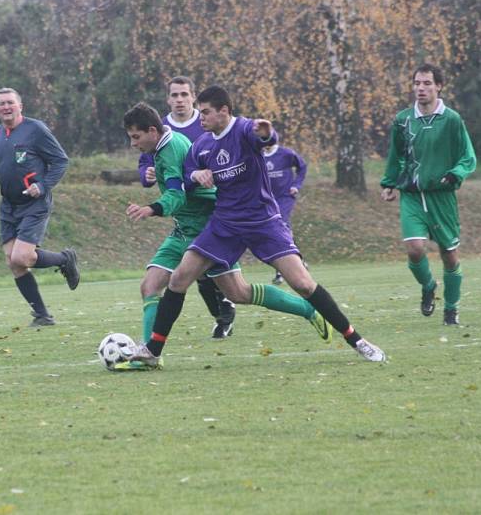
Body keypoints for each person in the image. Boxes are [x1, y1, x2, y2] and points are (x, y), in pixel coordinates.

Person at [129, 85, 387, 368]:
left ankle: (358, 340)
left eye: (205, 113)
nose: (199, 118)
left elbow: (264, 137)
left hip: (263, 221)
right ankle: (153, 350)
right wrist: (197, 174)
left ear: (224, 111)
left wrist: (266, 134)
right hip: (224, 223)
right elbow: (186, 174)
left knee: (302, 283)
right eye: (199, 112)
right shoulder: (202, 144)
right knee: (179, 280)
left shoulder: (243, 130)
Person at [0, 87, 79, 327]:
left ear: (20, 106)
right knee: (13, 261)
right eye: (1, 104)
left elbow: (61, 161)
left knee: (23, 257)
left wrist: (43, 185)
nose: (6, 107)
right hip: (9, 206)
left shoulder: (36, 130)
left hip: (34, 204)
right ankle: (42, 315)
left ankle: (64, 259)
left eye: (10, 102)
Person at [137, 76, 236, 339]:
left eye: (184, 94)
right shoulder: (158, 128)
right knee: (172, 280)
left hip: (209, 211)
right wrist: (147, 174)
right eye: (174, 95)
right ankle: (150, 347)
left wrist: (197, 176)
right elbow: (146, 161)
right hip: (182, 212)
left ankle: (224, 311)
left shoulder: (206, 123)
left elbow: (220, 156)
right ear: (167, 99)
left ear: (193, 96)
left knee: (216, 281)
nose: (179, 100)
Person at [381, 63, 477, 326]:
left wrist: (455, 173)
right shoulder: (402, 120)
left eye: (426, 83)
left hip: (442, 197)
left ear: (438, 86)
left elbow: (468, 157)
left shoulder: (452, 119)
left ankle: (451, 310)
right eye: (417, 83)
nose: (420, 88)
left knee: (450, 256)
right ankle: (427, 285)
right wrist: (389, 183)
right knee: (414, 250)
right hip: (412, 195)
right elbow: (396, 155)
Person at [262, 143, 308, 284]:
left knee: (280, 227)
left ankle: (281, 272)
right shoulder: (258, 155)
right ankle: (298, 261)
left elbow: (302, 167)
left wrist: (296, 185)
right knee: (273, 231)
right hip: (267, 199)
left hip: (284, 197)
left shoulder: (286, 153)